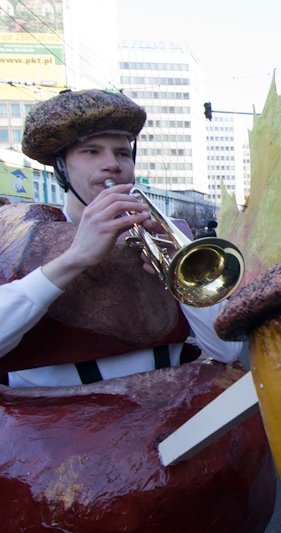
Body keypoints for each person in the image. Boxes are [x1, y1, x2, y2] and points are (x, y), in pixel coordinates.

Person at [0, 89, 242, 387]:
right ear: (61, 167)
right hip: (58, 422)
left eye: (122, 153)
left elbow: (227, 351)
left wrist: (179, 275)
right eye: (91, 151)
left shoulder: (165, 232)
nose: (112, 164)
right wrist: (74, 257)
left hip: (173, 414)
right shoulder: (22, 230)